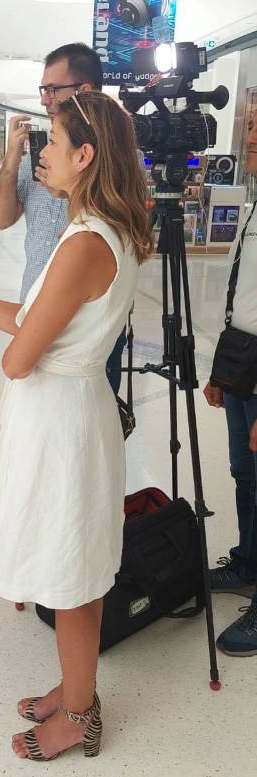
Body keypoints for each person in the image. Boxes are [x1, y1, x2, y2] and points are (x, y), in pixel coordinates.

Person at [0, 91, 152, 760]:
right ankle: (76, 685)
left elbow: (19, 356)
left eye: (53, 141)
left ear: (85, 155)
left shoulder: (84, 243)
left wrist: (19, 349)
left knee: (70, 576)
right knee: (77, 563)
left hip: (60, 422)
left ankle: (79, 714)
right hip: (74, 409)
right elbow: (30, 318)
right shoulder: (103, 228)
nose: (42, 153)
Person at [0, 43, 128, 394]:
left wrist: (72, 197)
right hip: (32, 310)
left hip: (85, 330)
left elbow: (13, 365)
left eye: (52, 89)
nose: (44, 100)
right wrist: (11, 158)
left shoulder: (114, 173)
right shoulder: (39, 157)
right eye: (43, 89)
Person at [203, 111, 257, 656]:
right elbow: (242, 296)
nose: (251, 136)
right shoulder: (253, 202)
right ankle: (248, 561)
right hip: (243, 360)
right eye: (251, 125)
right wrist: (222, 371)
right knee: (245, 472)